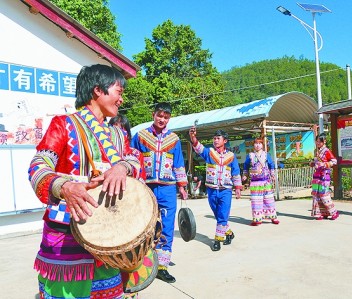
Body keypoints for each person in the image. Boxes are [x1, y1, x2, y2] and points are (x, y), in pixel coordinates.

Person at [28, 64, 145, 299]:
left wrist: (121, 167)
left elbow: (135, 159)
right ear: (97, 91)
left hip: (109, 239)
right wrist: (65, 186)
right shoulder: (63, 125)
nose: (121, 99)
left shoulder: (118, 134)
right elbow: (37, 166)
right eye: (118, 91)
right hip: (67, 237)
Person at [131, 102, 188, 283]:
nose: (162, 119)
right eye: (159, 116)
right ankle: (143, 262)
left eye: (166, 117)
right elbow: (131, 158)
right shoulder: (140, 136)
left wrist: (182, 185)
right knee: (144, 225)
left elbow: (179, 162)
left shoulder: (174, 139)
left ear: (169, 118)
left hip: (168, 188)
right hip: (146, 187)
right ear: (153, 114)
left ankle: (162, 266)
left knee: (167, 227)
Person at [189, 127, 242, 252]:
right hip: (211, 189)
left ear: (225, 141)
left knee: (223, 214)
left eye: (218, 138)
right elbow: (198, 147)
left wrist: (238, 188)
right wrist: (193, 137)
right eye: (214, 138)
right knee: (218, 215)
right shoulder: (209, 153)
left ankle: (218, 240)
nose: (215, 141)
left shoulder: (231, 156)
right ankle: (228, 232)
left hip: (226, 190)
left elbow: (235, 172)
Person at [242, 137, 279, 226]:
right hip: (255, 182)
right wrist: (245, 175)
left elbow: (271, 165)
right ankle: (257, 219)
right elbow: (246, 166)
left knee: (269, 200)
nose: (257, 145)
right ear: (253, 145)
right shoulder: (250, 155)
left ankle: (273, 217)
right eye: (256, 143)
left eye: (259, 143)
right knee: (256, 201)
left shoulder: (266, 155)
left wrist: (273, 174)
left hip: (266, 181)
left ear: (262, 145)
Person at [309, 132, 339, 220]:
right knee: (317, 195)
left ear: (324, 142)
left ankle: (334, 212)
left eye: (319, 141)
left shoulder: (327, 151)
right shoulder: (316, 151)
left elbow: (334, 161)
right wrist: (312, 163)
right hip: (316, 176)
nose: (318, 143)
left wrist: (325, 164)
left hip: (324, 176)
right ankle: (322, 213)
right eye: (317, 141)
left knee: (324, 194)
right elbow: (316, 162)